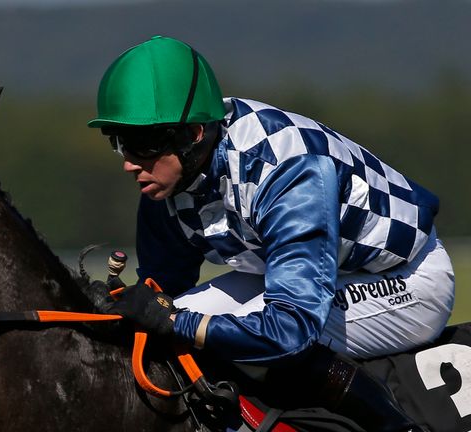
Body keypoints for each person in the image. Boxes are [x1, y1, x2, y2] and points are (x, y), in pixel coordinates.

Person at [86, 35, 455, 431]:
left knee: (228, 338)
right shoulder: (168, 184)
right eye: (120, 143)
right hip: (312, 274)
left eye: (141, 144)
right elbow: (162, 294)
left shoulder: (286, 170)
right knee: (171, 333)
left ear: (193, 133)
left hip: (406, 278)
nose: (128, 163)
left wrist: (178, 321)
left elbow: (290, 329)